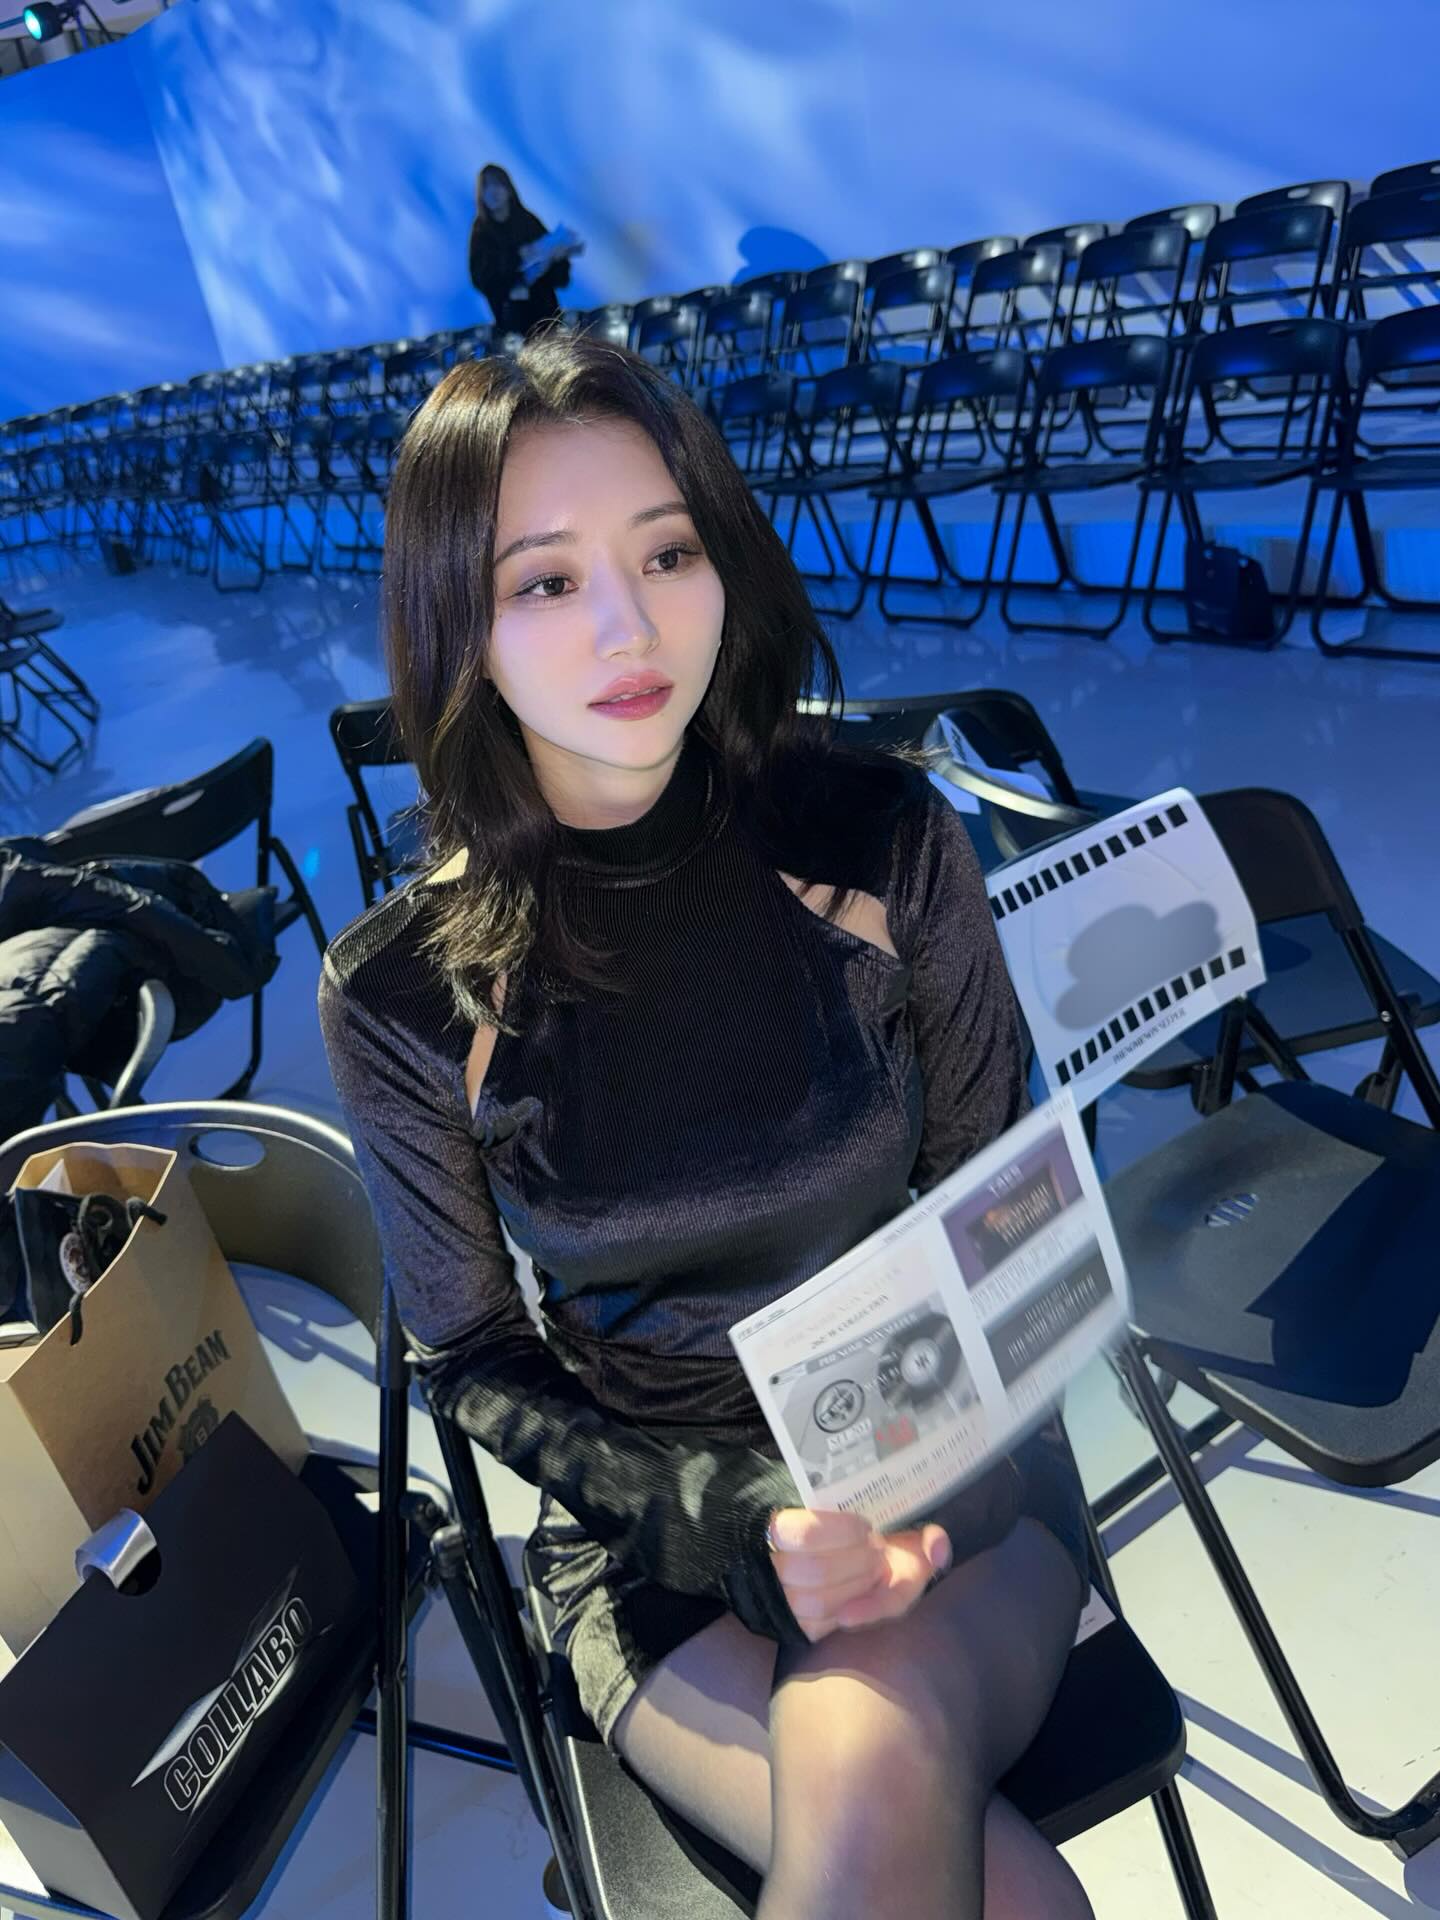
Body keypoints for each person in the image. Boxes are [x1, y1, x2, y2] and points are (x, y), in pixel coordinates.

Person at [318, 333, 1096, 1920]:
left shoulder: (878, 835)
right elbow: (474, 1354)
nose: (631, 625)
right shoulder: (401, 991)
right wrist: (720, 1517)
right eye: (547, 581)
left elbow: (997, 1201)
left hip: (958, 1465)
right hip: (655, 1539)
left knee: (874, 1754)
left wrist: (915, 1480)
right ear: (457, 623)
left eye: (668, 553)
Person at [468, 163, 580, 339]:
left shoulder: (527, 221)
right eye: (486, 187)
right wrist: (516, 257)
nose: (492, 192)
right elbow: (482, 279)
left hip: (547, 318)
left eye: (497, 184)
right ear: (480, 195)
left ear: (508, 189)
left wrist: (558, 259)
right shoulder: (481, 232)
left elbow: (559, 278)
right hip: (511, 326)